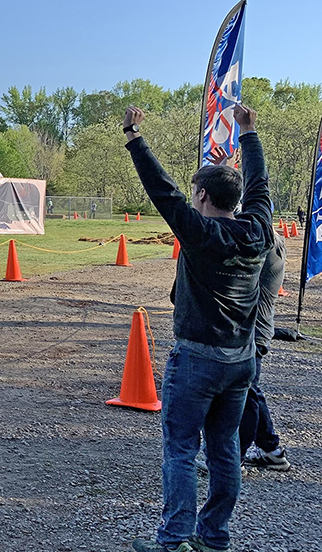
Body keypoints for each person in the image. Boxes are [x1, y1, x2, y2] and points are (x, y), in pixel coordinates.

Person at [124, 104, 273, 552]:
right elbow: (260, 185)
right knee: (225, 448)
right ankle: (214, 538)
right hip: (241, 361)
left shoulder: (200, 233)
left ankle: (174, 541)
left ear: (205, 198)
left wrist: (134, 136)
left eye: (195, 196)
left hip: (196, 360)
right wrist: (249, 134)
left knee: (182, 450)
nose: (190, 201)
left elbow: (161, 190)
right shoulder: (258, 228)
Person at [239, 233, 290, 471]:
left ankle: (233, 457)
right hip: (259, 327)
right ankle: (271, 448)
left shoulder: (260, 240)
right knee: (251, 391)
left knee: (246, 395)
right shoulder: (274, 240)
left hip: (251, 329)